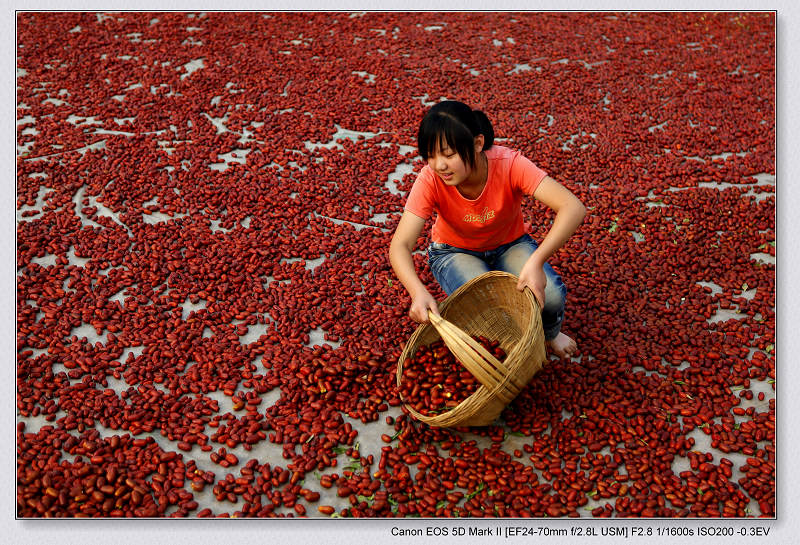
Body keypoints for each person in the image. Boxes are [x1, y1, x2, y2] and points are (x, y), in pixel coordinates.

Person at [389, 100, 586, 359]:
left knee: (549, 296)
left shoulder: (509, 164)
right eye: (430, 155)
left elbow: (573, 207)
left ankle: (550, 333)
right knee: (489, 312)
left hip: (510, 244)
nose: (439, 165)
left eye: (449, 155)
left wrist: (536, 261)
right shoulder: (430, 179)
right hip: (454, 252)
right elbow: (399, 246)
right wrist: (417, 292)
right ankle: (513, 350)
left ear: (478, 144)